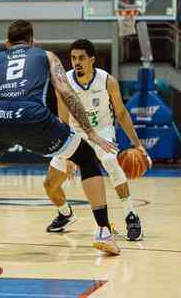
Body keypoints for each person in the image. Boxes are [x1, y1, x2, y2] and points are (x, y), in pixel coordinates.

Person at [0, 20, 121, 255]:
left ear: (7, 44)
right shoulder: (46, 55)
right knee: (87, 157)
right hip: (33, 118)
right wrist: (90, 133)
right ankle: (104, 232)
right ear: (32, 41)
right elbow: (66, 92)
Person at [43, 39, 150, 241]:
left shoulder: (108, 81)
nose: (77, 62)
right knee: (50, 184)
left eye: (81, 57)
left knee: (110, 161)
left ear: (92, 59)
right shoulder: (63, 82)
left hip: (102, 131)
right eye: (73, 58)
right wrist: (68, 157)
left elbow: (121, 113)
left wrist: (137, 144)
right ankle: (66, 214)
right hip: (74, 132)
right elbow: (63, 120)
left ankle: (131, 216)